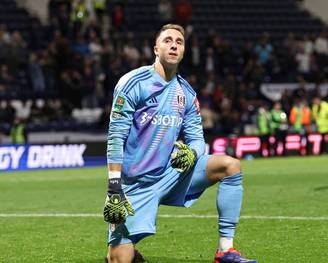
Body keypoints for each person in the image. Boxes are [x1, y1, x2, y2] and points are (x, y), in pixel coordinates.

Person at [103, 24, 257, 263]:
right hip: (136, 183)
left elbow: (197, 140)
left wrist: (191, 152)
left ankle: (225, 250)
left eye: (179, 41)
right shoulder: (133, 83)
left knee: (230, 166)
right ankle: (128, 249)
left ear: (184, 50)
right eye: (167, 40)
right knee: (118, 260)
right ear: (156, 48)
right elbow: (115, 136)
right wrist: (114, 186)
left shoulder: (186, 92)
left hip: (172, 171)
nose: (173, 44)